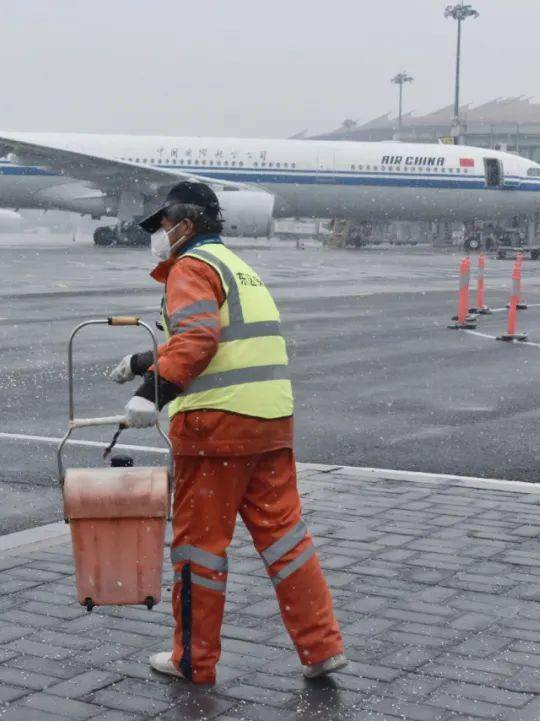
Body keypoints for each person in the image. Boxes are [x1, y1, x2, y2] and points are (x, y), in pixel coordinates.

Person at [108, 181, 346, 685]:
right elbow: (223, 336)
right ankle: (322, 649)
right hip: (271, 425)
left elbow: (198, 337)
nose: (160, 235)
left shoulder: (190, 268)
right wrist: (141, 360)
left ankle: (192, 661)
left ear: (186, 225)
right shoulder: (237, 268)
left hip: (217, 429)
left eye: (165, 225)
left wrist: (150, 394)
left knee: (199, 549)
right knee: (286, 542)